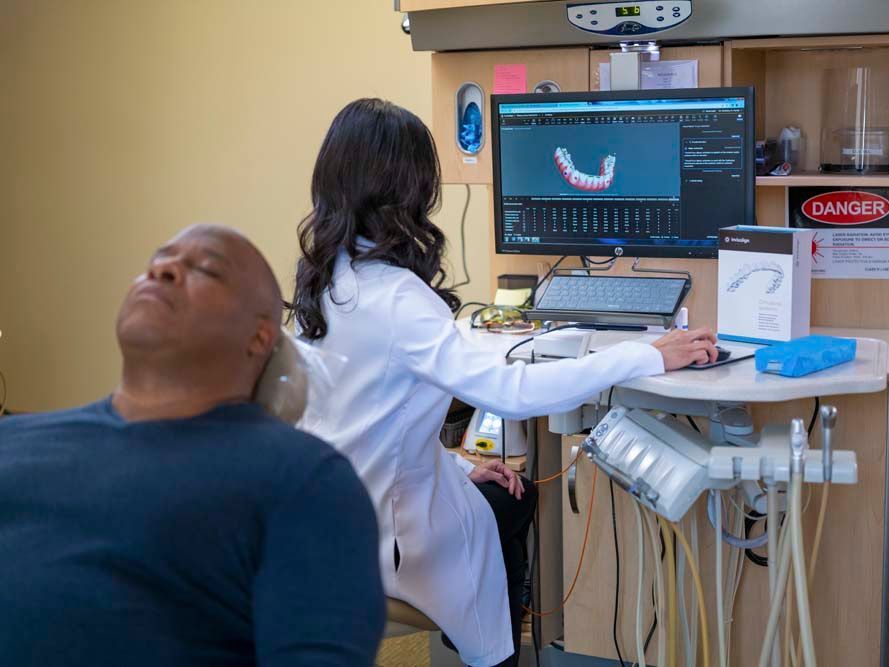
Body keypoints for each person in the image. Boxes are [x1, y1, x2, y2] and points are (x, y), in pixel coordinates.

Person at [290, 98, 718, 667]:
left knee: (499, 491)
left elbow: (362, 422)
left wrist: (460, 466)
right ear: (409, 190)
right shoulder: (400, 299)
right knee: (517, 498)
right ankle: (491, 652)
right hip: (387, 540)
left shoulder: (323, 284)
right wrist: (645, 355)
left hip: (327, 526)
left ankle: (482, 645)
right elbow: (510, 393)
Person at [0, 224, 385, 667]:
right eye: (157, 260)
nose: (163, 270)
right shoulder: (1, 442)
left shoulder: (302, 479)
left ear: (260, 337)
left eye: (206, 269)